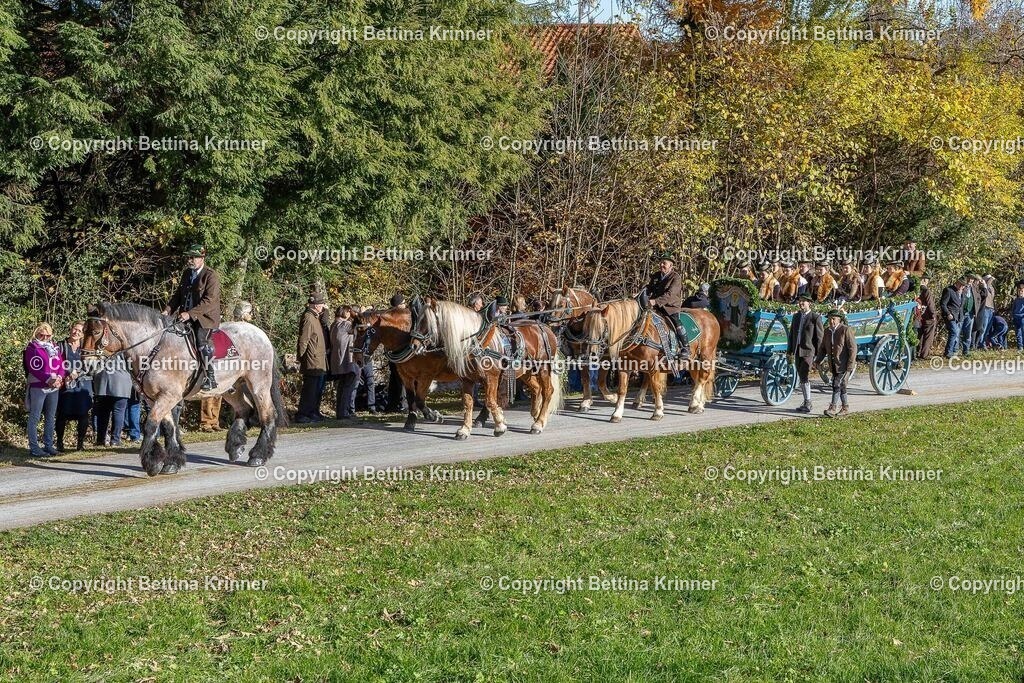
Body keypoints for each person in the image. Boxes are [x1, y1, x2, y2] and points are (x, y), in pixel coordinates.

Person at [162, 244, 222, 390]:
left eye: (194, 257)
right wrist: (167, 310)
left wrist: (190, 314)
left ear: (202, 258)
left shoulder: (210, 275)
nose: (191, 260)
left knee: (201, 342)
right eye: (189, 257)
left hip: (205, 318)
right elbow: (178, 295)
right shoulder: (187, 273)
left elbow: (209, 301)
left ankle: (210, 376)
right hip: (185, 316)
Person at [24, 323, 65, 456]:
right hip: (38, 386)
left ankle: (48, 445)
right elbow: (33, 367)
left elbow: (61, 364)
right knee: (35, 417)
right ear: (36, 333)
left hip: (54, 387)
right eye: (42, 335)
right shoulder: (32, 347)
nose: (45, 337)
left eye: (48, 335)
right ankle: (34, 447)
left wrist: (59, 377)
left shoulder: (54, 347)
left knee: (50, 417)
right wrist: (48, 379)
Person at [644, 254, 689, 359]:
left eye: (664, 263)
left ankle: (686, 348)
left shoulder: (676, 278)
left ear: (671, 265)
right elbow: (648, 288)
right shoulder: (656, 276)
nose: (661, 265)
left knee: (676, 323)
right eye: (661, 262)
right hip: (655, 307)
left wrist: (655, 301)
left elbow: (670, 294)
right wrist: (639, 294)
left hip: (670, 307)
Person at [56, 321, 92, 452]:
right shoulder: (60, 345)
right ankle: (59, 442)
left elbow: (90, 364)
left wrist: (78, 373)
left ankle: (80, 444)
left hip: (83, 384)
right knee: (62, 413)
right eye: (74, 329)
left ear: (83, 334)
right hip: (66, 382)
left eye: (80, 331)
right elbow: (56, 362)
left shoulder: (86, 346)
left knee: (83, 414)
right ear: (70, 329)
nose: (76, 332)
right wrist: (68, 372)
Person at [815, 309, 857, 418]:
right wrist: (817, 361)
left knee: (836, 384)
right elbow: (823, 348)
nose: (831, 321)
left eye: (833, 319)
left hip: (843, 363)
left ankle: (833, 408)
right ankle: (845, 407)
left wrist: (849, 367)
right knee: (841, 385)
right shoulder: (827, 331)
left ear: (839, 319)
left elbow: (853, 349)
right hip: (833, 363)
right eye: (829, 319)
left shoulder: (845, 330)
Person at [787, 295, 824, 414]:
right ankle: (806, 401)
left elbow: (819, 338)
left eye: (803, 301)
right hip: (797, 350)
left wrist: (819, 357)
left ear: (809, 303)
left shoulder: (815, 317)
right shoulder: (796, 316)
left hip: (808, 351)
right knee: (801, 376)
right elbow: (792, 334)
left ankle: (808, 402)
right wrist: (790, 350)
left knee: (804, 374)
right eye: (800, 301)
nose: (801, 303)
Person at [295, 291, 328, 423]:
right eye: (321, 304)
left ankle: (313, 411)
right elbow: (304, 340)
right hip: (312, 359)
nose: (323, 306)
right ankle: (303, 414)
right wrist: (301, 357)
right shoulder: (308, 317)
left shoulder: (315, 317)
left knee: (317, 389)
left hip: (318, 359)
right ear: (315, 305)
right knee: (310, 389)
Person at [92, 354, 132, 447]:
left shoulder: (101, 347)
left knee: (102, 413)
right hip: (121, 381)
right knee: (119, 412)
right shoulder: (124, 346)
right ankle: (115, 440)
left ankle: (100, 439)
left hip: (103, 381)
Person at [330, 305, 359, 420]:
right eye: (348, 312)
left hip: (337, 361)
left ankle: (340, 411)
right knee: (348, 386)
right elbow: (359, 329)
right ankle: (344, 412)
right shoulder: (345, 325)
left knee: (341, 387)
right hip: (347, 361)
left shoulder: (334, 324)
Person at [385, 293, 408, 412]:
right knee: (402, 378)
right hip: (398, 352)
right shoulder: (397, 318)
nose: (405, 305)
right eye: (403, 303)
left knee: (394, 378)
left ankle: (392, 404)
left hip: (392, 352)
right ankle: (403, 403)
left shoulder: (388, 316)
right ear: (399, 305)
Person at [940, 278, 966, 358]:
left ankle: (953, 351)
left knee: (956, 333)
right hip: (950, 316)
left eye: (963, 285)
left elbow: (961, 306)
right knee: (954, 332)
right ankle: (948, 352)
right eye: (960, 284)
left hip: (958, 317)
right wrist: (948, 313)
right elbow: (943, 304)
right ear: (957, 283)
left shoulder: (962, 293)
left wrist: (962, 316)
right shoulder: (949, 290)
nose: (962, 287)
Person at [916, 276, 939, 360]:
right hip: (927, 316)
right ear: (925, 280)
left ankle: (916, 352)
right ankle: (924, 354)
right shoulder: (926, 291)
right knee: (928, 336)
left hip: (919, 316)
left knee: (919, 335)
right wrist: (933, 315)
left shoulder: (916, 290)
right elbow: (930, 304)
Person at [974, 275, 996, 350]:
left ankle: (983, 342)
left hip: (991, 309)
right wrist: (985, 284)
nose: (991, 281)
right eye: (989, 279)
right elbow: (985, 295)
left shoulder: (991, 288)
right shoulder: (982, 287)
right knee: (983, 327)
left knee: (987, 328)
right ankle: (980, 344)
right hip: (985, 308)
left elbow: (992, 297)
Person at [1013, 281, 1024, 351]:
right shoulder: (1016, 300)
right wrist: (1013, 315)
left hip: (1022, 317)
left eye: (1022, 290)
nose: (1020, 291)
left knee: (1023, 332)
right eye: (1019, 290)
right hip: (1016, 317)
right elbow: (1013, 308)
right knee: (1018, 333)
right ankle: (1020, 346)